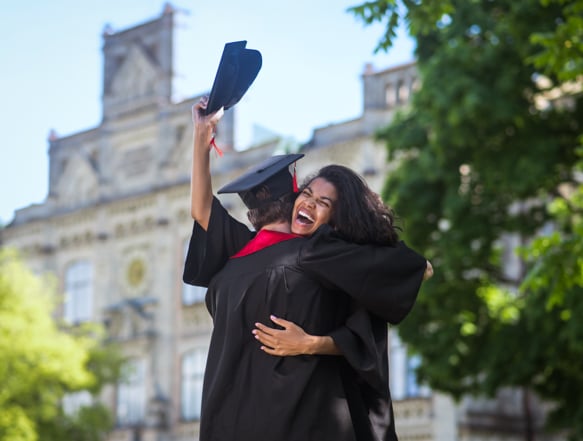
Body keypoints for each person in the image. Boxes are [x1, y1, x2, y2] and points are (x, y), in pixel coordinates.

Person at [184, 98, 430, 441]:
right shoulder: (241, 249)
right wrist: (201, 136)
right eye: (309, 195)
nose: (310, 205)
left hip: (297, 414)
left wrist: (310, 343)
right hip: (229, 413)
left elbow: (413, 277)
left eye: (324, 203)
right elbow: (202, 208)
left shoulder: (321, 251)